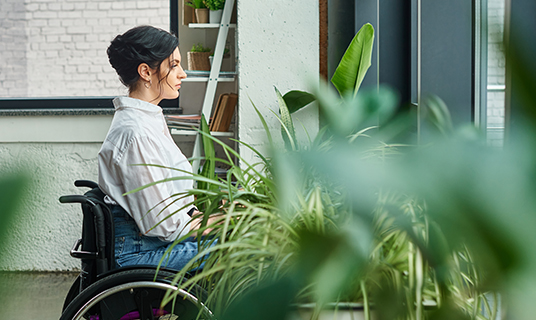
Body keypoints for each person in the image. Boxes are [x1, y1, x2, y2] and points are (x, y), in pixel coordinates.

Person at [99, 25, 215, 271]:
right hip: (141, 253)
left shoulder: (148, 120)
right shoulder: (136, 134)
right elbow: (162, 224)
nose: (182, 74)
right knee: (245, 252)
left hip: (153, 245)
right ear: (146, 72)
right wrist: (217, 224)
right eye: (173, 65)